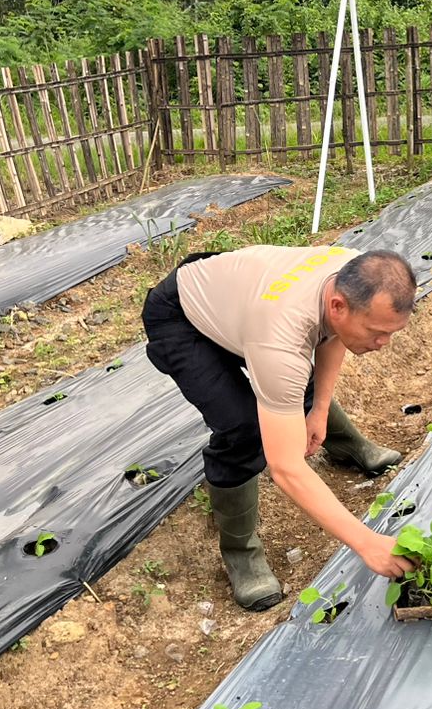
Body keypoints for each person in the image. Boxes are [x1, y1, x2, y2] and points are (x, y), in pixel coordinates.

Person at [143, 245, 415, 610]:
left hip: (240, 299)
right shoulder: (280, 337)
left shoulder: (354, 273)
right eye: (377, 332)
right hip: (182, 316)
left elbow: (332, 335)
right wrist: (367, 543)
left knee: (293, 384)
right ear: (338, 305)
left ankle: (342, 441)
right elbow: (286, 468)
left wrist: (318, 410)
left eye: (392, 333)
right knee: (244, 427)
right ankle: (241, 552)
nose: (384, 344)